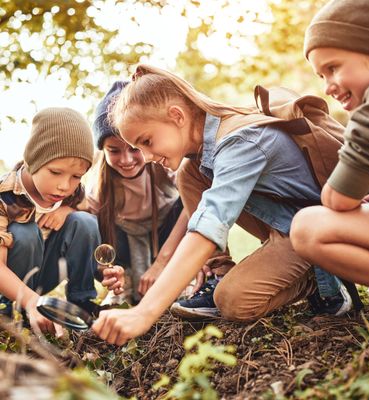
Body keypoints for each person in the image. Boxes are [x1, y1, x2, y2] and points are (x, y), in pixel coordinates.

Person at [91, 64, 349, 345]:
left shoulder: (240, 141)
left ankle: (324, 279)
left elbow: (209, 225)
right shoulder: (198, 158)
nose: (148, 156)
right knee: (189, 173)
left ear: (176, 116)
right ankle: (219, 273)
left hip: (317, 233)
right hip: (286, 226)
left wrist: (144, 312)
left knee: (233, 301)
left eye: (147, 142)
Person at [290, 0, 369, 294]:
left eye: (333, 67)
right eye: (321, 76)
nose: (328, 86)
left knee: (308, 228)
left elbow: (337, 200)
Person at [0, 107, 124, 335]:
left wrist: (103, 271)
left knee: (85, 222)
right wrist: (32, 302)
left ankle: (81, 305)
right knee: (26, 233)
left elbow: (82, 241)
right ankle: (8, 312)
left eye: (76, 176)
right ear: (33, 160)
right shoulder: (4, 196)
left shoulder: (71, 195)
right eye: (55, 172)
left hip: (41, 276)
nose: (64, 186)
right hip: (7, 285)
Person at [86, 81, 187, 302]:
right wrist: (106, 269)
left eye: (134, 148)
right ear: (103, 150)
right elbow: (86, 230)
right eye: (114, 151)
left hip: (163, 234)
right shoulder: (98, 185)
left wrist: (161, 263)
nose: (126, 160)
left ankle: (182, 276)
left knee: (188, 202)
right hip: (124, 242)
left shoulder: (163, 164)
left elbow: (194, 207)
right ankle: (124, 282)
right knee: (90, 221)